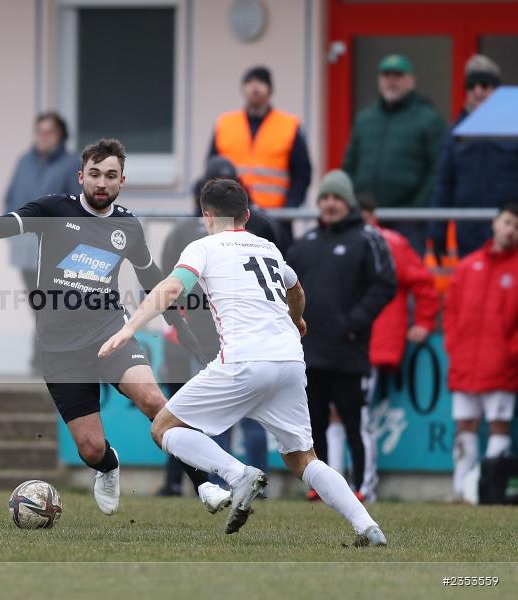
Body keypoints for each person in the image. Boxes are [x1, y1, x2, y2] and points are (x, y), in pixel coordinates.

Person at [99, 178, 387, 546]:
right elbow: (296, 289)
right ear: (247, 215)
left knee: (163, 427)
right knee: (303, 459)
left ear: (206, 216)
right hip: (289, 361)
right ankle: (368, 527)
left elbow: (172, 288)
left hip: (243, 360)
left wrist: (130, 329)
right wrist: (297, 319)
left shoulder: (203, 246)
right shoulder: (267, 246)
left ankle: (238, 475)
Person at [0, 138, 229, 515]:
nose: (101, 182)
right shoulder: (53, 209)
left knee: (154, 401)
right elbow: (2, 228)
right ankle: (108, 465)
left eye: (110, 176)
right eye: (95, 174)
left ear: (122, 181)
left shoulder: (127, 225)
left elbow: (151, 279)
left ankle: (205, 486)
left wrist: (181, 328)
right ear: (81, 176)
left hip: (110, 335)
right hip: (61, 351)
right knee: (91, 448)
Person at [157, 156, 279, 496]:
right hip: (206, 336)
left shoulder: (258, 230)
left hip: (243, 333)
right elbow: (169, 279)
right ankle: (221, 482)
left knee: (245, 417)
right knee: (213, 420)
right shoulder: (187, 231)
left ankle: (252, 483)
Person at [286, 170, 396, 500]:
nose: (330, 204)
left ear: (348, 203)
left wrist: (355, 323)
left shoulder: (367, 238)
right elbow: (285, 287)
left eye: (336, 198)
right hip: (311, 350)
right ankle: (323, 486)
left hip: (349, 351)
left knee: (354, 424)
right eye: (324, 198)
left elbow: (385, 284)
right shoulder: (305, 243)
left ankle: (364, 486)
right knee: (314, 422)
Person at [326, 193, 439, 502]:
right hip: (342, 343)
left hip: (372, 343)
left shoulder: (390, 243)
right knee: (337, 414)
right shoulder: (338, 241)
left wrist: (424, 322)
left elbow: (424, 284)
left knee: (356, 416)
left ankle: (364, 487)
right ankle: (333, 486)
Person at [444, 203, 518, 502]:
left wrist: (511, 353)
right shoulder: (468, 265)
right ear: (495, 224)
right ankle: (462, 490)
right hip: (465, 364)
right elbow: (450, 312)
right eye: (508, 222)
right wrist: (454, 346)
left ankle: (491, 492)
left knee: (499, 426)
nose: (511, 229)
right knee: (465, 426)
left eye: (516, 224)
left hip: (502, 365)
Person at [342, 53, 446, 254]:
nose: (391, 81)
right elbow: (349, 164)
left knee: (405, 275)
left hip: (407, 221)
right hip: (365, 216)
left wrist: (416, 209)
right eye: (386, 75)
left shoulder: (428, 119)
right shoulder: (365, 119)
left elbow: (437, 170)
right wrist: (351, 203)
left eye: (398, 75)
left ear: (411, 80)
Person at [4, 112, 80, 370]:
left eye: (49, 132)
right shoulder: (24, 162)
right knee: (39, 303)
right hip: (25, 248)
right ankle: (43, 357)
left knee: (52, 303)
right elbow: (11, 197)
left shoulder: (71, 165)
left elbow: (75, 205)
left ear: (60, 136)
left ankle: (45, 358)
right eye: (39, 131)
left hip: (56, 249)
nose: (43, 137)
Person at [431, 55, 518, 258]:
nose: (478, 91)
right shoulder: (456, 132)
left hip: (510, 229)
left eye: (485, 85)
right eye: (472, 86)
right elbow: (444, 184)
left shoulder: (513, 128)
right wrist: (437, 231)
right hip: (469, 231)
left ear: (496, 90)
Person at [208, 66, 311, 210]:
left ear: (270, 89)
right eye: (249, 82)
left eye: (261, 82)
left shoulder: (290, 125)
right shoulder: (225, 124)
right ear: (243, 88)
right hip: (231, 214)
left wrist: (289, 209)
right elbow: (212, 169)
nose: (255, 87)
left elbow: (302, 173)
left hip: (275, 215)